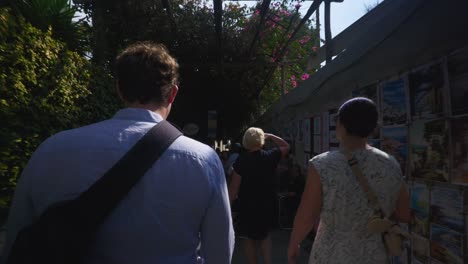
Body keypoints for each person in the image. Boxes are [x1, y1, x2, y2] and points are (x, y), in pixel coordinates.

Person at [1, 42, 234, 264]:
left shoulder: (52, 148)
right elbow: (220, 252)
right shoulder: (203, 160)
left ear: (120, 89)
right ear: (172, 94)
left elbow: (17, 239)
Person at [287, 97, 410, 264]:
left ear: (341, 125)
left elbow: (307, 215)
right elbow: (403, 213)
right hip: (374, 254)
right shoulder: (391, 163)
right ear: (373, 128)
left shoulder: (322, 165)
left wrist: (295, 243)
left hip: (331, 253)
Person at [228, 128, 289, 264]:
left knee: (249, 238)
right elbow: (286, 146)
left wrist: (228, 206)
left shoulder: (241, 161)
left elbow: (234, 187)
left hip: (247, 205)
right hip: (267, 204)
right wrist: (271, 136)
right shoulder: (269, 156)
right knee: (265, 237)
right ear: (261, 141)